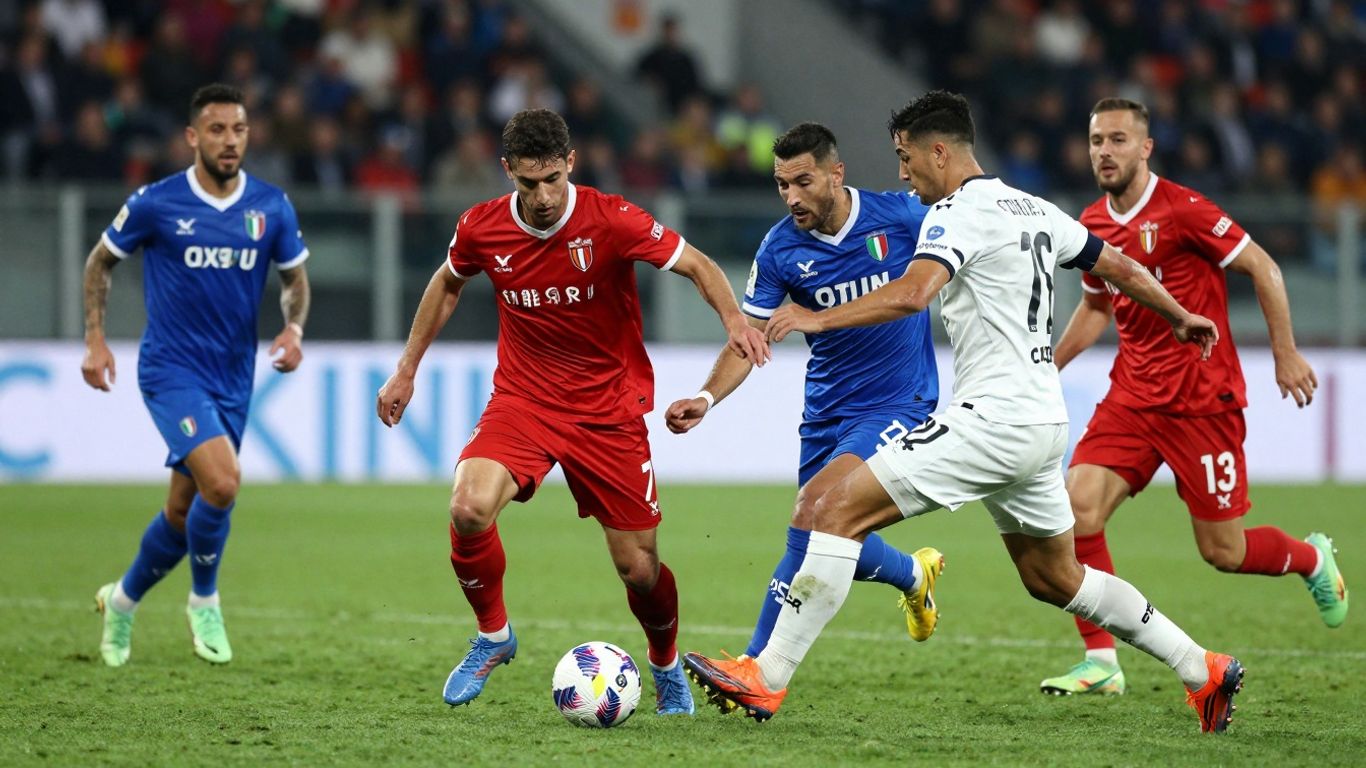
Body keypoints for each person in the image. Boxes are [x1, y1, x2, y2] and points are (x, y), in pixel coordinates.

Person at [683, 91, 1244, 734]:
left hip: (994, 419)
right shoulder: (1032, 207)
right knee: (1055, 577)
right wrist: (1179, 314)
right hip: (1042, 424)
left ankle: (766, 676)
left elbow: (912, 294)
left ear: (938, 151)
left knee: (826, 508)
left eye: (905, 157)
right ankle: (1203, 668)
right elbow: (1116, 265)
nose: (901, 173)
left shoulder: (956, 212)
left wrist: (815, 317)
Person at [375, 108, 768, 715]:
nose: (542, 195)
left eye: (553, 178)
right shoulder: (481, 227)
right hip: (524, 400)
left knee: (638, 569)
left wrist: (734, 320)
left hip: (608, 409)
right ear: (507, 171)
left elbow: (697, 265)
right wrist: (406, 368)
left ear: (571, 164)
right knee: (468, 505)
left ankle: (665, 667)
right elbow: (448, 281)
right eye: (528, 183)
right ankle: (493, 637)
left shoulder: (611, 219)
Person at [1038, 98, 1348, 697]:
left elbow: (1264, 267)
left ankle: (1312, 561)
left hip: (1203, 402)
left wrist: (1284, 353)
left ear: (1145, 148)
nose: (1105, 150)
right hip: (1132, 398)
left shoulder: (1183, 210)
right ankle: (1101, 661)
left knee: (1224, 552)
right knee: (1076, 512)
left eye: (1119, 140)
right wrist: (1049, 364)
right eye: (1097, 139)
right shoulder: (1092, 223)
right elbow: (1097, 307)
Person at [664, 122, 944, 657]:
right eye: (781, 185)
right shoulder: (778, 250)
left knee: (813, 509)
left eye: (804, 181)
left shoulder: (902, 217)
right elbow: (747, 337)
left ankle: (755, 664)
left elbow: (960, 255)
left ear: (837, 175)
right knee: (827, 533)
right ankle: (913, 574)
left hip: (896, 402)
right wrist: (705, 397)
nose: (792, 196)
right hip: (825, 414)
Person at [84, 83, 312, 667]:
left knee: (184, 512)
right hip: (170, 370)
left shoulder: (271, 207)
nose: (229, 140)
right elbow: (100, 262)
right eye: (216, 130)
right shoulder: (155, 203)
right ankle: (204, 599)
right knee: (225, 484)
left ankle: (123, 603)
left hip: (233, 376)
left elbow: (294, 279)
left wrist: (293, 330)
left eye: (238, 129)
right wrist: (94, 339)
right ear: (192, 137)